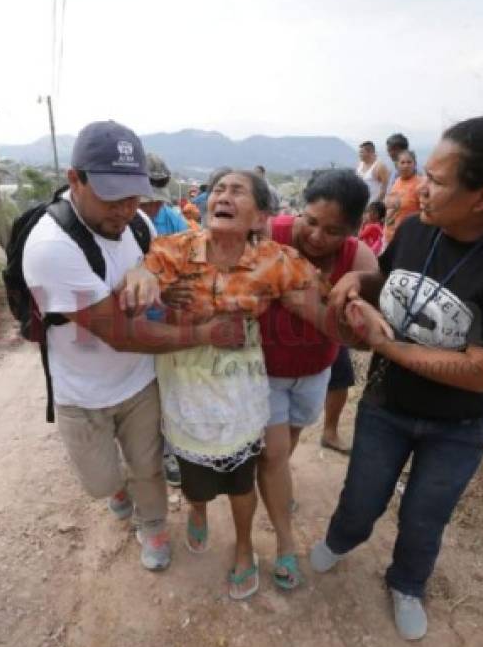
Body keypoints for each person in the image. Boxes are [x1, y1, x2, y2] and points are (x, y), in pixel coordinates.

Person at [310, 105, 483, 641]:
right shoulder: (417, 231)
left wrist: (387, 345)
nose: (419, 188)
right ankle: (340, 541)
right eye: (424, 172)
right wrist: (358, 285)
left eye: (437, 180)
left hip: (457, 426)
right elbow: (387, 279)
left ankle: (406, 582)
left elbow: (479, 373)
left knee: (426, 516)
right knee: (361, 498)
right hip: (386, 408)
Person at [120, 170, 371, 599]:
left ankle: (243, 547)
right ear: (205, 204)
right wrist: (140, 277)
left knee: (241, 475)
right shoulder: (168, 251)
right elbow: (136, 314)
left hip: (241, 385)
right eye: (219, 190)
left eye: (238, 191)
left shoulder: (277, 261)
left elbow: (327, 315)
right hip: (185, 384)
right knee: (194, 471)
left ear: (260, 218)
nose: (224, 196)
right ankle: (197, 510)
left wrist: (360, 318)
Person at [21, 121, 245, 573]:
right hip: (81, 394)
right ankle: (117, 492)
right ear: (74, 180)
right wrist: (203, 335)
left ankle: (155, 524)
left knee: (148, 468)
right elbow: (121, 334)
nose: (125, 210)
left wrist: (148, 269)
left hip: (140, 383)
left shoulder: (136, 222)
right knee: (101, 483)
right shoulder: (51, 248)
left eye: (132, 195)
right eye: (111, 196)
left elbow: (166, 259)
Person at [258, 168, 377, 589]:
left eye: (332, 230)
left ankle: (276, 481)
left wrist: (313, 308)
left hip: (314, 370)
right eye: (310, 221)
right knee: (272, 454)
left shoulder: (359, 260)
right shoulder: (269, 232)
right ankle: (286, 546)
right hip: (265, 371)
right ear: (299, 210)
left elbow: (364, 340)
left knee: (289, 439)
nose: (315, 236)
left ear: (353, 229)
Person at [141, 153, 190, 488]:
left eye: (159, 202)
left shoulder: (173, 221)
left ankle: (171, 451)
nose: (154, 209)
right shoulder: (114, 224)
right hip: (129, 329)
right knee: (139, 399)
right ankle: (142, 454)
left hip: (166, 327)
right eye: (148, 202)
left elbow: (193, 267)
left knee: (169, 392)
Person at [383, 150, 423, 247]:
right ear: (397, 165)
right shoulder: (396, 182)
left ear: (415, 164)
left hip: (408, 239)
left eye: (409, 162)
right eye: (402, 162)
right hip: (389, 236)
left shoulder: (421, 184)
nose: (406, 165)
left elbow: (425, 214)